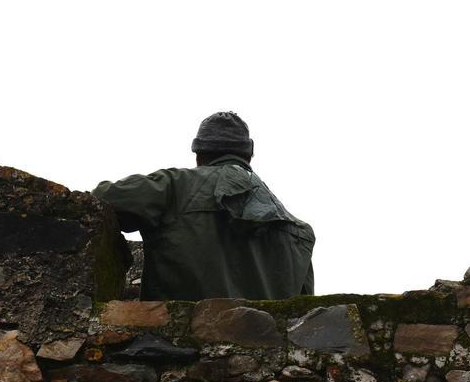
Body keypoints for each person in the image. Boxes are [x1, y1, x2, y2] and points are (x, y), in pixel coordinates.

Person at [93, 111, 315, 301]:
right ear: (248, 156)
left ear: (199, 155)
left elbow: (100, 200)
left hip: (176, 347)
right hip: (265, 350)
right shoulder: (300, 234)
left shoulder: (174, 187)